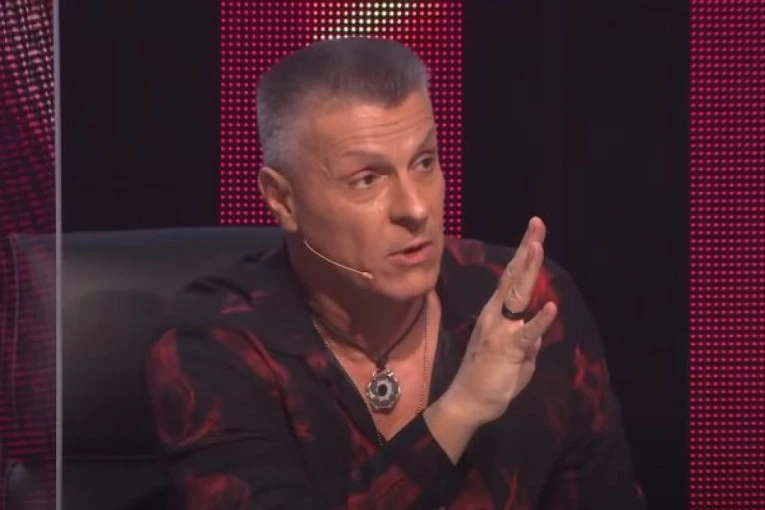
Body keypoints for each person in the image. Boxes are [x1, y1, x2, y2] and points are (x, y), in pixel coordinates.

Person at [146, 37, 645, 509]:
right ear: (283, 200)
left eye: (424, 163)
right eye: (367, 179)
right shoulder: (218, 342)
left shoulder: (531, 304)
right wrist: (459, 410)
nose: (415, 208)